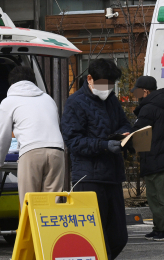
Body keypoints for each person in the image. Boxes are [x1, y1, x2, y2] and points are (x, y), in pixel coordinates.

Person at [60, 59, 131, 259]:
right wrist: (104, 145)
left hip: (113, 175)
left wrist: (125, 134)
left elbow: (125, 123)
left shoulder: (112, 100)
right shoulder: (75, 103)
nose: (107, 88)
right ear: (90, 79)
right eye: (104, 84)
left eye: (111, 84)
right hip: (88, 177)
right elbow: (73, 141)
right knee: (95, 236)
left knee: (118, 236)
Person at [0, 66, 65, 207]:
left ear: (11, 84)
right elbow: (56, 124)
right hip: (57, 151)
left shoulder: (9, 102)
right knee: (52, 205)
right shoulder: (48, 99)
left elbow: (3, 135)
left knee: (30, 203)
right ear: (33, 81)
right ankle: (48, 230)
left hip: (32, 151)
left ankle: (31, 229)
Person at [130, 76, 164, 241]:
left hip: (156, 157)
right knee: (161, 194)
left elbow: (137, 133)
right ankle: (159, 228)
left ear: (145, 91)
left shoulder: (149, 108)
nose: (136, 96)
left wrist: (125, 138)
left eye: (138, 92)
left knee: (157, 196)